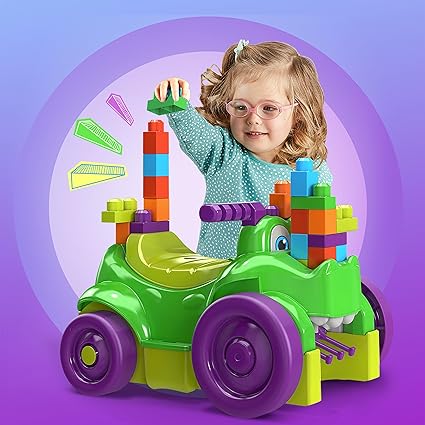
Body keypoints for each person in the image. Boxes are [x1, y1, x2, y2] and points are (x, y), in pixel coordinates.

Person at [154, 40, 333, 259]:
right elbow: (194, 133)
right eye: (241, 107)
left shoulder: (313, 172)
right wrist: (176, 103)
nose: (253, 119)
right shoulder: (223, 153)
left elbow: (318, 233)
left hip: (279, 276)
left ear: (298, 114)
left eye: (269, 108)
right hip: (218, 274)